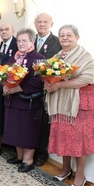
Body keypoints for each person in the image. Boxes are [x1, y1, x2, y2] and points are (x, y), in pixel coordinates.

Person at [45, 24, 94, 186]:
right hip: (61, 105)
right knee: (63, 137)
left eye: (69, 35)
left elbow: (86, 79)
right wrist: (48, 83)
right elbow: (48, 73)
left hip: (79, 106)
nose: (65, 38)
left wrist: (59, 85)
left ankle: (80, 174)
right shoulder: (57, 56)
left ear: (77, 37)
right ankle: (66, 169)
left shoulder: (85, 56)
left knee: (79, 141)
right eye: (62, 35)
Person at [2, 28, 45, 173]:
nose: (20, 43)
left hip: (28, 103)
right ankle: (20, 156)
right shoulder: (14, 57)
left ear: (32, 41)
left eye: (24, 40)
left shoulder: (38, 58)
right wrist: (4, 86)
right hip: (12, 101)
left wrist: (19, 88)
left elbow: (40, 81)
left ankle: (28, 160)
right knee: (15, 130)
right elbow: (3, 74)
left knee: (27, 131)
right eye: (18, 41)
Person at [33, 13, 63, 167]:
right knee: (30, 122)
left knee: (44, 123)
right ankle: (29, 150)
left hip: (47, 89)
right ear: (35, 24)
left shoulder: (57, 43)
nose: (42, 24)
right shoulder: (31, 40)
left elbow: (60, 65)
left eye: (45, 22)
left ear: (52, 24)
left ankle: (41, 154)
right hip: (29, 89)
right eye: (39, 22)